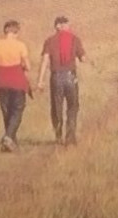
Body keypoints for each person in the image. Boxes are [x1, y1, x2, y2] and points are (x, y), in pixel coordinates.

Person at [34, 15, 87, 146]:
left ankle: (58, 136)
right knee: (73, 107)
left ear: (56, 27)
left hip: (56, 77)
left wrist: (40, 81)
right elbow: (83, 58)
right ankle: (70, 137)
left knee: (56, 107)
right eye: (67, 25)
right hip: (71, 77)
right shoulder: (75, 39)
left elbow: (45, 61)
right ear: (62, 26)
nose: (69, 28)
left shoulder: (49, 41)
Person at [0, 19, 33, 152]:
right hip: (17, 81)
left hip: (1, 81)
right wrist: (22, 65)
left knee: (6, 112)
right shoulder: (20, 45)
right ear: (15, 31)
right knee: (17, 110)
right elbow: (28, 66)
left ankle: (10, 142)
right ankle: (8, 137)